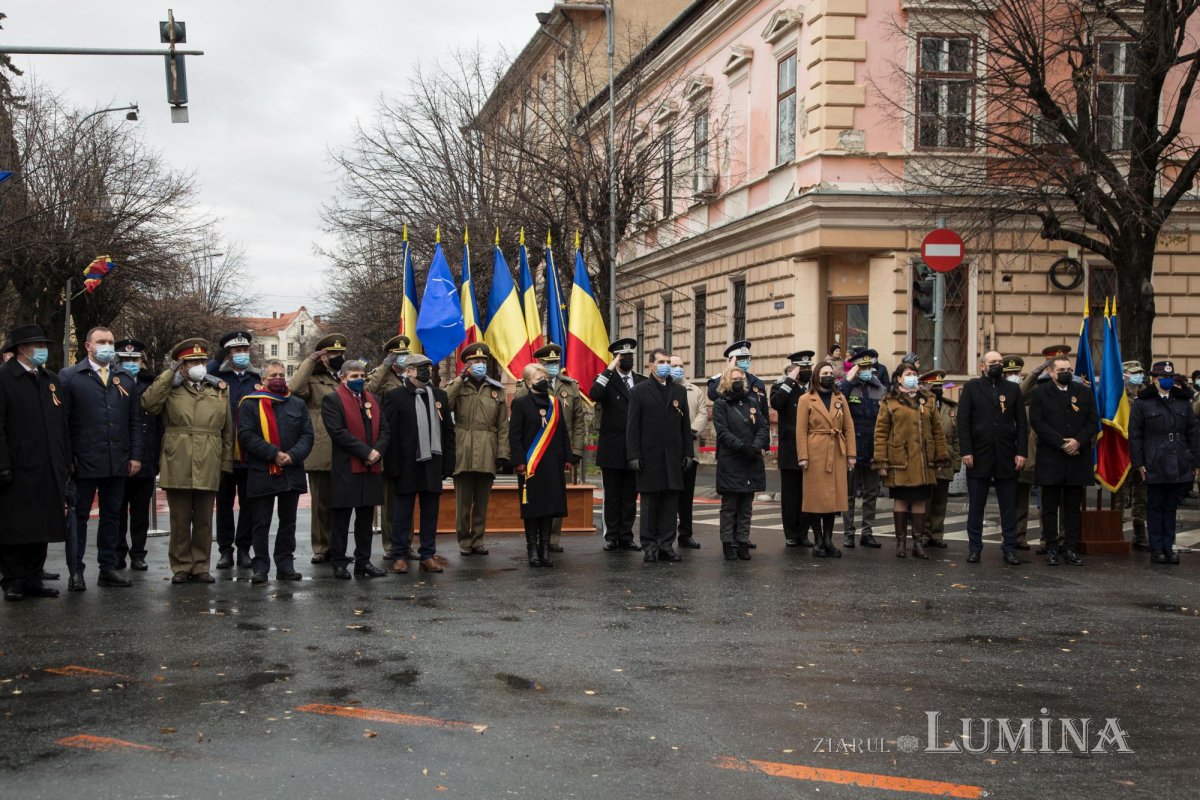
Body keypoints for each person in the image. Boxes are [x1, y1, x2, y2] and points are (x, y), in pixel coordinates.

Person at [141, 338, 233, 584]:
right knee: (180, 520)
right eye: (192, 361)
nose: (199, 365)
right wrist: (169, 373)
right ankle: (181, 566)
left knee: (204, 520)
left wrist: (226, 462)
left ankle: (201, 565)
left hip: (209, 457)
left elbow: (227, 430)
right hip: (178, 457)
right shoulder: (170, 387)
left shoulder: (219, 388)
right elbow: (149, 404)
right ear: (181, 365)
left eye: (202, 360)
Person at [58, 326, 143, 589]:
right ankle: (76, 571)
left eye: (110, 341)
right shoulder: (71, 377)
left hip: (116, 460)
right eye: (101, 341)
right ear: (88, 346)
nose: (107, 346)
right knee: (78, 517)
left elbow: (134, 421)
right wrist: (68, 458)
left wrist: (135, 456)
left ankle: (107, 568)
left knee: (112, 516)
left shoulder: (124, 378)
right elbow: (64, 423)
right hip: (83, 460)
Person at [0, 325, 68, 601]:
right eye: (36, 345)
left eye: (44, 344)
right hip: (17, 465)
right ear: (20, 349)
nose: (43, 350)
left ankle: (33, 578)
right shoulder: (4, 378)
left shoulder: (50, 379)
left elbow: (61, 424)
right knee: (15, 526)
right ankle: (13, 580)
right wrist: (2, 463)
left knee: (42, 525)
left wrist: (66, 460)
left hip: (48, 463)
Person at [236, 359, 314, 584]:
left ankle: (285, 565)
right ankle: (260, 567)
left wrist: (292, 455)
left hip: (291, 471)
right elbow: (246, 436)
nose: (278, 379)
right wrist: (274, 454)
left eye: (281, 375)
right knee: (261, 523)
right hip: (262, 471)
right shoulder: (251, 404)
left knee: (288, 522)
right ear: (263, 380)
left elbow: (307, 435)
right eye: (273, 376)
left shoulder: (297, 403)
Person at [382, 354, 455, 574]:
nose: (426, 372)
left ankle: (427, 555)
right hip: (406, 464)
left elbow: (448, 432)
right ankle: (399, 555)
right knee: (402, 513)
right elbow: (389, 434)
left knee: (430, 512)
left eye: (428, 368)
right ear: (409, 370)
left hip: (432, 463)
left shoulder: (439, 396)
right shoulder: (395, 397)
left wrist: (448, 463)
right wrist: (391, 466)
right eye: (421, 368)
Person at [514, 343, 588, 553]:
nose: (553, 367)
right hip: (533, 456)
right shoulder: (522, 391)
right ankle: (535, 544)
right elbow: (516, 429)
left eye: (556, 363)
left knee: (554, 498)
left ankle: (551, 541)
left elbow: (578, 422)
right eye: (549, 364)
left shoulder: (570, 386)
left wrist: (575, 452)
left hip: (557, 453)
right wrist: (518, 459)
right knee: (536, 501)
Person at [321, 359, 390, 579]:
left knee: (365, 519)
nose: (359, 380)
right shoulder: (332, 400)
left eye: (362, 376)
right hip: (346, 468)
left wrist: (377, 451)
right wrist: (365, 452)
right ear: (342, 378)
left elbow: (385, 430)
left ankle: (363, 562)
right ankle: (339, 562)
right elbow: (338, 432)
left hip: (371, 468)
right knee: (341, 519)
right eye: (354, 377)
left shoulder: (374, 400)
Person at [957, 351, 1027, 565]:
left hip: (1007, 455)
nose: (997, 365)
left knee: (1008, 506)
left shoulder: (1013, 389)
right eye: (993, 362)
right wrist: (966, 451)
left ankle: (1009, 548)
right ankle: (975, 548)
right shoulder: (971, 388)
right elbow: (963, 422)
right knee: (977, 505)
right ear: (982, 366)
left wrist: (1021, 452)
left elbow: (1022, 424)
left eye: (999, 362)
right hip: (979, 454)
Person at [1028, 355, 1098, 566]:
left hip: (1077, 458)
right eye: (1062, 370)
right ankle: (1051, 547)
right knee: (1049, 508)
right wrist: (1062, 443)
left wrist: (1077, 441)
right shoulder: (1040, 393)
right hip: (1052, 458)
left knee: (1072, 508)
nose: (1067, 373)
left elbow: (1092, 422)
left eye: (1069, 369)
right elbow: (1038, 423)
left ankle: (1070, 548)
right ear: (1051, 372)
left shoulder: (1084, 392)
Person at [874, 363, 949, 559]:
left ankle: (918, 543)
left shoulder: (928, 399)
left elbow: (937, 431)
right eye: (908, 374)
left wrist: (940, 456)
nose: (912, 377)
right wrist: (881, 462)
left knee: (919, 501)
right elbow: (881, 433)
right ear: (898, 378)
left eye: (915, 374)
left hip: (923, 460)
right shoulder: (889, 401)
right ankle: (901, 543)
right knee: (901, 500)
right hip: (900, 459)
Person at [627, 348, 694, 563]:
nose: (666, 366)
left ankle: (666, 544)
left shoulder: (679, 391)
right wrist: (634, 454)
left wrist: (688, 453)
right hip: (649, 456)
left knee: (670, 503)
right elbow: (632, 426)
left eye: (669, 362)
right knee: (650, 504)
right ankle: (650, 546)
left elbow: (685, 426)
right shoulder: (639, 391)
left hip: (673, 457)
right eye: (662, 362)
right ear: (651, 365)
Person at [1129, 361, 1200, 565]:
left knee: (1171, 506)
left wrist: (1195, 460)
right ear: (1154, 380)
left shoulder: (1182, 402)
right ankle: (1157, 547)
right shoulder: (1143, 403)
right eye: (1163, 378)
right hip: (1154, 458)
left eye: (1170, 377)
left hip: (1179, 458)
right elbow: (1135, 436)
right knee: (1155, 504)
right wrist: (1138, 462)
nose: (1167, 381)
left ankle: (1168, 546)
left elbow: (1193, 433)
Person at [446, 342, 509, 557]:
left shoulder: (496, 390)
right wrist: (459, 380)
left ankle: (478, 539)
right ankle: (464, 541)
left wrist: (502, 453)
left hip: (487, 448)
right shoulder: (458, 386)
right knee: (463, 503)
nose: (480, 365)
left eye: (483, 361)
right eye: (475, 362)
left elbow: (503, 426)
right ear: (467, 364)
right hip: (463, 445)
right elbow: (445, 405)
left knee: (482, 502)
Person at [290, 333, 347, 564]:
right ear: (322, 356)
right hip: (322, 445)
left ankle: (338, 547)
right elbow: (294, 388)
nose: (338, 357)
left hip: (344, 446)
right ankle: (321, 547)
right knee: (321, 503)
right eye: (332, 354)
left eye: (341, 353)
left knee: (341, 501)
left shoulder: (341, 379)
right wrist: (310, 361)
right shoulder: (312, 381)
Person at [509, 363, 574, 567]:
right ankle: (532, 550)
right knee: (533, 508)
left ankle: (545, 549)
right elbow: (515, 436)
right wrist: (518, 461)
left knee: (548, 507)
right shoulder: (520, 404)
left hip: (552, 464)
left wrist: (567, 457)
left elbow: (563, 432)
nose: (543, 380)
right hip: (530, 466)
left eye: (544, 376)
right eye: (538, 378)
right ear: (528, 383)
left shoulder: (555, 403)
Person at [210, 331, 262, 570]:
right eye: (236, 351)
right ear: (227, 354)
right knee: (224, 504)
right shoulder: (216, 377)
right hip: (224, 452)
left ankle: (243, 549)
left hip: (250, 453)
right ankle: (225, 550)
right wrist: (215, 361)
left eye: (244, 350)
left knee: (248, 505)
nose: (241, 354)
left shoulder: (256, 378)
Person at [588, 338, 645, 552]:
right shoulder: (606, 380)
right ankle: (611, 536)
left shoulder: (640, 380)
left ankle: (626, 536)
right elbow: (594, 394)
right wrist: (609, 369)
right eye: (623, 356)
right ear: (616, 359)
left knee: (630, 496)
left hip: (634, 448)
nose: (628, 359)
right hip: (612, 447)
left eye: (630, 356)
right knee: (612, 496)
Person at [796, 362, 856, 558]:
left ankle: (829, 540)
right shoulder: (806, 399)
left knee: (832, 499)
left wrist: (851, 454)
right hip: (815, 453)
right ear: (816, 376)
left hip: (836, 451)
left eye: (831, 372)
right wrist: (803, 456)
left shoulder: (840, 398)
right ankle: (818, 540)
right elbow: (801, 430)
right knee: (816, 499)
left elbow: (849, 427)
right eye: (824, 373)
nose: (829, 375)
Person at [114, 338, 163, 574]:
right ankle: (118, 552)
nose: (130, 363)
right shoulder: (111, 382)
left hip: (146, 455)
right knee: (117, 510)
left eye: (134, 359)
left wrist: (158, 457)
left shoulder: (150, 383)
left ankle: (138, 554)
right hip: (119, 456)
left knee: (141, 512)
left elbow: (160, 422)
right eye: (125, 359)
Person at [712, 365, 769, 561]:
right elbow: (722, 432)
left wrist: (755, 446)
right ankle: (728, 543)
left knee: (746, 507)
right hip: (731, 461)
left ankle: (743, 542)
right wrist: (741, 447)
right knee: (729, 508)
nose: (738, 382)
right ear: (727, 381)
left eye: (740, 378)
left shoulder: (752, 401)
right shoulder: (720, 405)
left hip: (751, 461)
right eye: (734, 379)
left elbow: (763, 426)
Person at [368, 335, 413, 562]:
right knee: (390, 499)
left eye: (406, 354)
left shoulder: (409, 378)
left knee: (408, 496)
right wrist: (384, 366)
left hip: (409, 444)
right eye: (399, 355)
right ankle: (390, 544)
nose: (403, 358)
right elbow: (370, 389)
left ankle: (407, 543)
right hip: (389, 443)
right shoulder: (384, 378)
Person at [839, 347, 886, 549]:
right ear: (856, 368)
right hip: (852, 446)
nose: (867, 370)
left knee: (871, 493)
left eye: (869, 366)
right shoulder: (848, 387)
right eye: (862, 366)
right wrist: (848, 381)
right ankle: (849, 533)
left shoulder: (879, 388)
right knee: (848, 493)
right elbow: (838, 403)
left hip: (873, 446)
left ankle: (867, 532)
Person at [771, 351, 815, 547]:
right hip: (790, 449)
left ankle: (803, 532)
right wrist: (790, 380)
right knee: (790, 495)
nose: (806, 371)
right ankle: (790, 533)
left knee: (807, 494)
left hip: (811, 448)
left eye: (808, 368)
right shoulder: (781, 386)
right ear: (792, 368)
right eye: (802, 368)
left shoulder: (814, 389)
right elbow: (776, 403)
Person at [919, 370, 961, 549]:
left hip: (946, 459)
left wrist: (957, 461)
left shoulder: (951, 408)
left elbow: (957, 437)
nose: (937, 390)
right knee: (925, 501)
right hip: (926, 459)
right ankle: (923, 534)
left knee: (940, 501)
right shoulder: (920, 406)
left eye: (940, 386)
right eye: (933, 386)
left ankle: (937, 534)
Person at [671, 354, 708, 550]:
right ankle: (666, 534)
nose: (678, 369)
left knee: (686, 497)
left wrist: (691, 432)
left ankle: (686, 534)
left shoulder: (694, 390)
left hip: (689, 451)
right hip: (668, 452)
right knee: (669, 497)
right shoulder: (664, 389)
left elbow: (703, 412)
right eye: (674, 365)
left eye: (680, 365)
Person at [1117, 360, 1150, 550]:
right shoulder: (1119, 395)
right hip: (1123, 448)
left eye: (1139, 372)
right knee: (1120, 492)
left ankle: (1139, 532)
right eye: (1133, 373)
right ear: (1124, 375)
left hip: (1143, 449)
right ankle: (1117, 530)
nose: (1137, 376)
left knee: (1141, 493)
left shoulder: (1146, 394)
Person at [1006, 355, 1037, 552]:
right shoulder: (1002, 395)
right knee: (1007, 499)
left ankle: (1020, 535)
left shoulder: (1030, 401)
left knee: (1022, 498)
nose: (1014, 377)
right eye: (1010, 374)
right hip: (1004, 455)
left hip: (1025, 455)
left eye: (1017, 374)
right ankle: (1008, 535)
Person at [706, 340, 767, 413]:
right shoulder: (717, 380)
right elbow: (712, 395)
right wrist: (729, 371)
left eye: (747, 358)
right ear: (731, 360)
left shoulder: (757, 381)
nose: (746, 362)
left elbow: (764, 411)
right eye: (741, 358)